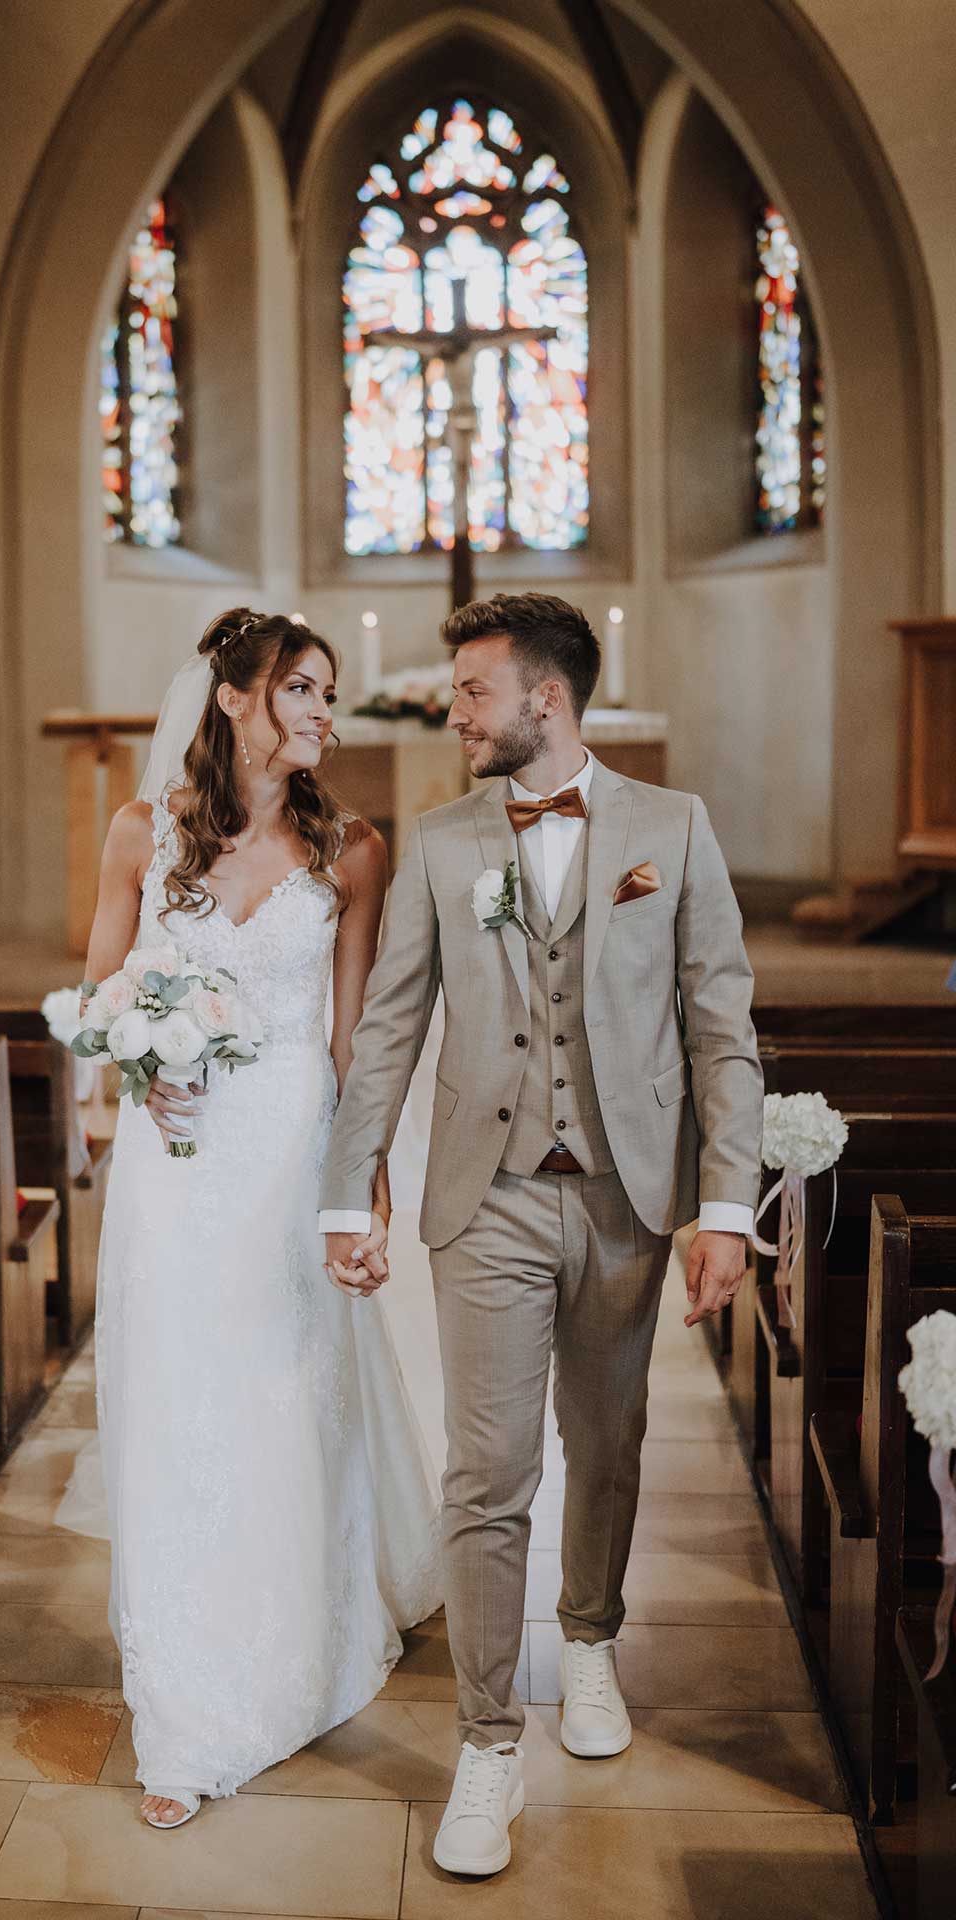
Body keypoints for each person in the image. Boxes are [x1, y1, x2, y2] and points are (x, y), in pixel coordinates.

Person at [321, 591, 763, 1879]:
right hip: (488, 1197)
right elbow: (391, 1026)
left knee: (608, 1437)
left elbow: (718, 1028)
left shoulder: (670, 830)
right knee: (487, 1468)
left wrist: (722, 1208)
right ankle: (485, 1742)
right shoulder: (442, 839)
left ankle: (585, 1638)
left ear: (544, 702)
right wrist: (350, 1189)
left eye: (470, 691)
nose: (450, 710)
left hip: (628, 1198)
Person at [68, 608, 442, 1831]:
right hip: (173, 1167)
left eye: (329, 693)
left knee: (284, 1398)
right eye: (301, 689)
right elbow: (95, 993)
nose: (323, 713)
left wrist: (363, 1189)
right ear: (231, 697)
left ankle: (299, 1638)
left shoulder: (354, 851)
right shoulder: (140, 832)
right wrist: (136, 1063)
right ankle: (182, 1706)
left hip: (288, 1151)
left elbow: (351, 1041)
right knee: (179, 1405)